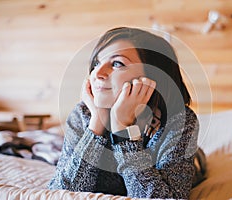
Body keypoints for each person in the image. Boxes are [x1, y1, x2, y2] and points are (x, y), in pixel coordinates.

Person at [48, 27, 206, 199]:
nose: (98, 74)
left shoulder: (180, 121)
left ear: (153, 76)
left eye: (117, 63)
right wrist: (97, 123)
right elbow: (60, 193)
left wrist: (122, 131)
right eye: (96, 63)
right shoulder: (82, 114)